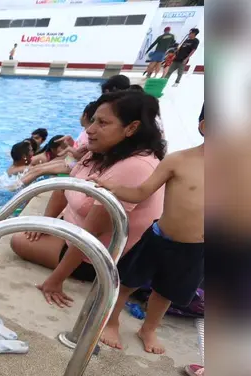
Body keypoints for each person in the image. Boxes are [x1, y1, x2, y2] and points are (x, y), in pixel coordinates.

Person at [10, 91, 166, 305]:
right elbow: (64, 187)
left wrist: (55, 281)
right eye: (93, 120)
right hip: (75, 230)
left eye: (102, 123)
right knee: (26, 231)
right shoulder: (103, 151)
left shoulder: (135, 167)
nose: (90, 130)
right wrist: (48, 223)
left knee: (18, 241)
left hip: (96, 256)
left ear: (131, 128)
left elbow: (92, 233)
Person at [94, 106, 204, 354]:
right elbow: (142, 192)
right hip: (160, 239)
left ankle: (148, 329)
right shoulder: (179, 161)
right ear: (205, 127)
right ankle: (110, 321)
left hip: (196, 248)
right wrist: (112, 187)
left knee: (166, 292)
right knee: (128, 282)